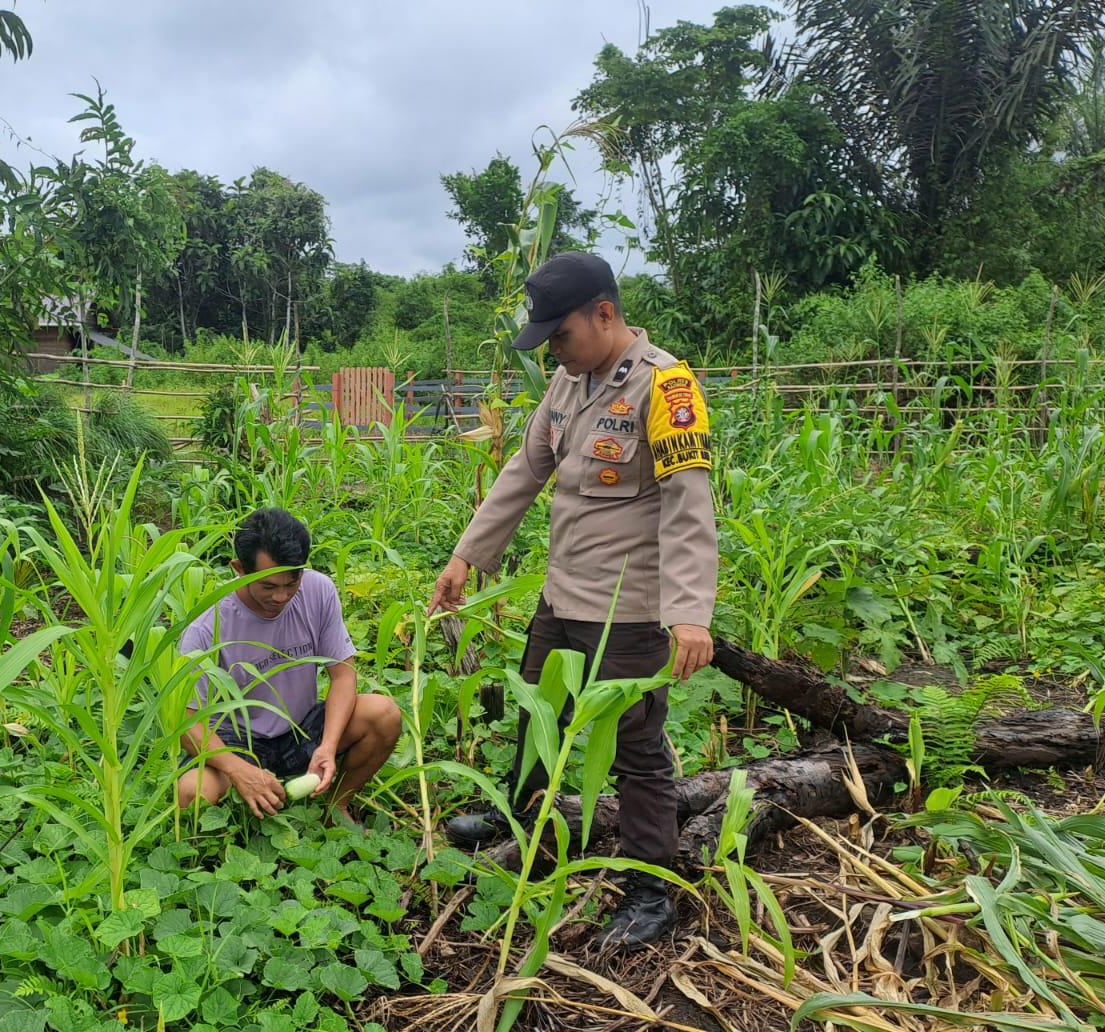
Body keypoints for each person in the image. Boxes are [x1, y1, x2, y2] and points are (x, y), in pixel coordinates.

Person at [428, 251, 718, 950]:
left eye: (561, 334)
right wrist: (467, 556)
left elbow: (687, 505)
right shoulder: (567, 383)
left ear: (605, 315)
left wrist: (689, 612)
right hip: (562, 597)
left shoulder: (666, 387)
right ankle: (523, 815)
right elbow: (523, 471)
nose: (553, 350)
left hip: (627, 609)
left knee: (636, 749)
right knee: (539, 712)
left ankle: (650, 889)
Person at [177, 508, 402, 827]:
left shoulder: (318, 590)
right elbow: (187, 723)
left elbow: (343, 674)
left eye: (292, 582)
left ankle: (335, 807)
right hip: (236, 741)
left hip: (301, 729)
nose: (281, 596)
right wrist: (238, 770)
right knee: (192, 793)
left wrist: (328, 747)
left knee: (383, 714)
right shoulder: (207, 626)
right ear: (239, 569)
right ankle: (240, 817)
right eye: (268, 586)